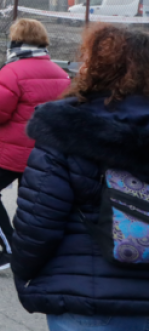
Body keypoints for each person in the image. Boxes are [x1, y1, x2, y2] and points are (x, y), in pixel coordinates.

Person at [12, 25, 149, 331]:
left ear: (97, 69)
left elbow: (39, 222)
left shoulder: (65, 128)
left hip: (85, 300)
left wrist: (23, 274)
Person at [0, 18, 71, 273]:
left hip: (15, 150)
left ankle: (9, 249)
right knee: (28, 201)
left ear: (17, 40)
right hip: (46, 151)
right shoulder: (60, 73)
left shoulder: (12, 70)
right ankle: (34, 252)